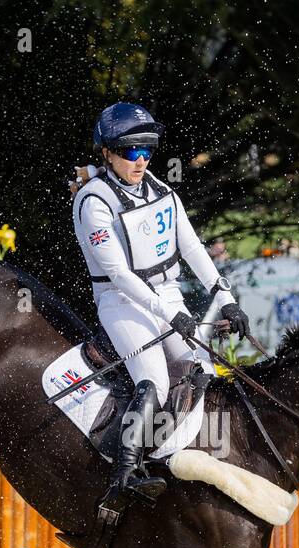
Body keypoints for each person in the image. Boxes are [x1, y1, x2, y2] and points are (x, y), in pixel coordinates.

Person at [71, 102, 249, 503]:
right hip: (121, 303)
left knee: (202, 370)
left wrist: (226, 299)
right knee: (155, 379)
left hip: (166, 295)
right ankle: (123, 477)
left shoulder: (160, 189)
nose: (141, 160)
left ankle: (185, 459)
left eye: (147, 151)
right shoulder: (94, 202)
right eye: (131, 152)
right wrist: (173, 316)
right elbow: (118, 274)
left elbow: (190, 246)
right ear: (107, 152)